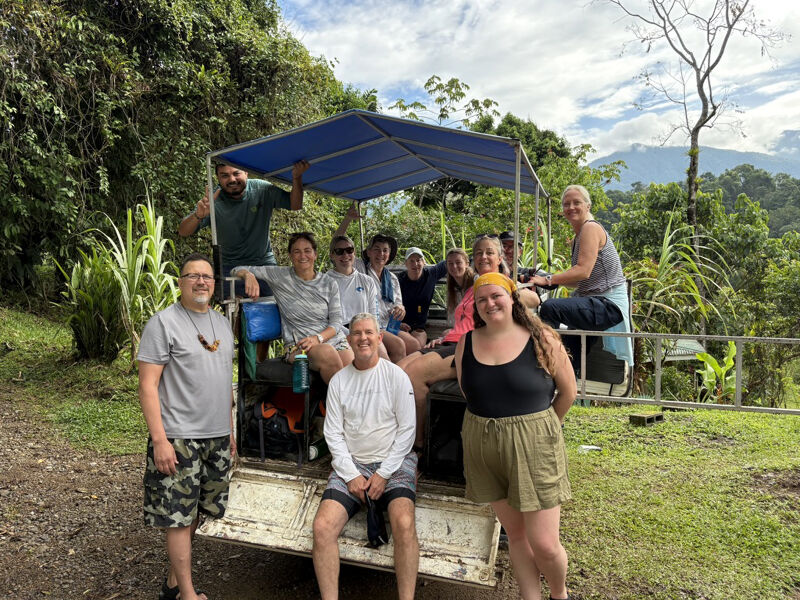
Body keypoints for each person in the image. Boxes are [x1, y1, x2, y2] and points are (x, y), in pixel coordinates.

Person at [454, 272, 575, 600]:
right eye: (481, 300)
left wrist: (540, 430)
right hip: (484, 446)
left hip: (534, 446)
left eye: (496, 296)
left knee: (546, 544)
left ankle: (560, 594)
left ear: (512, 298)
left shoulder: (541, 338)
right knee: (517, 536)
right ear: (475, 307)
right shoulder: (467, 342)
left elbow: (568, 392)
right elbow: (469, 390)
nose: (489, 304)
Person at [137, 253, 235, 600]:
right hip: (178, 437)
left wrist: (230, 430)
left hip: (217, 436)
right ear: (180, 282)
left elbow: (224, 382)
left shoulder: (222, 324)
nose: (200, 281)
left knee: (195, 512)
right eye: (192, 275)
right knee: (177, 517)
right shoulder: (163, 323)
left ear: (213, 283)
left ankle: (173, 583)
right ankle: (187, 595)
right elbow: (148, 385)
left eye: (206, 276)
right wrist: (159, 439)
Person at [312, 313, 419, 600]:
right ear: (348, 340)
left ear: (379, 337)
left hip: (393, 461)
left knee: (404, 524)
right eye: (356, 334)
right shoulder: (339, 382)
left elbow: (408, 431)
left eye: (369, 332)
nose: (363, 338)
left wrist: (383, 474)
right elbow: (333, 434)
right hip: (353, 461)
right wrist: (351, 475)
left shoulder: (396, 376)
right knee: (322, 527)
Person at [399, 235, 538, 451]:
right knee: (396, 372)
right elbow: (462, 323)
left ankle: (418, 445)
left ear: (499, 257)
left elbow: (533, 300)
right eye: (479, 253)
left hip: (471, 347)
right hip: (450, 342)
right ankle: (397, 435)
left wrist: (506, 289)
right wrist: (443, 337)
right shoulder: (474, 287)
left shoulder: (500, 283)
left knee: (414, 375)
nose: (483, 256)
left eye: (489, 252)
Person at [529, 185, 633, 369]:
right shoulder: (578, 237)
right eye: (566, 204)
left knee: (549, 308)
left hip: (608, 305)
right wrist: (548, 281)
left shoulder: (590, 228)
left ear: (588, 206)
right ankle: (569, 381)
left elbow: (582, 271)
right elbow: (578, 281)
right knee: (572, 344)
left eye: (576, 202)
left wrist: (548, 280)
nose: (571, 207)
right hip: (594, 301)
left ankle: (544, 361)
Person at [233, 232, 353, 383]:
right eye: (297, 251)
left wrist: (318, 338)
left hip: (332, 340)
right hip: (299, 346)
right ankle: (340, 406)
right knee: (328, 354)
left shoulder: (329, 283)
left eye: (307, 251)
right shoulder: (280, 276)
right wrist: (248, 275)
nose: (303, 256)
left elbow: (336, 323)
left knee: (354, 369)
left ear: (315, 254)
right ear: (290, 255)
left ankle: (337, 405)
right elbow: (236, 269)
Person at [178, 161, 310, 298]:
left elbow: (295, 204)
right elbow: (183, 231)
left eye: (236, 173)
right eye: (225, 176)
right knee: (235, 308)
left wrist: (297, 178)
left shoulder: (262, 190)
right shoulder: (213, 200)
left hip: (263, 262)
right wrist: (198, 215)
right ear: (218, 178)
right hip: (229, 265)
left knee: (275, 303)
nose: (232, 179)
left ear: (246, 173)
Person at [335, 204, 420, 362]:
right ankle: (393, 380)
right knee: (399, 345)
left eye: (385, 250)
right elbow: (338, 245)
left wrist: (400, 310)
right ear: (368, 252)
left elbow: (399, 306)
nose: (381, 254)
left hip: (389, 325)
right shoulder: (360, 269)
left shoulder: (392, 278)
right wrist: (347, 220)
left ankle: (406, 379)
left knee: (414, 345)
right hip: (372, 325)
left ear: (389, 254)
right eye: (377, 249)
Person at [397, 247, 447, 348]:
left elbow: (451, 260)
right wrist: (397, 324)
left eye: (418, 260)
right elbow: (387, 305)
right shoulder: (398, 280)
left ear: (424, 262)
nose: (415, 264)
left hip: (419, 328)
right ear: (405, 264)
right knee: (408, 347)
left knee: (419, 348)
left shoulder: (431, 274)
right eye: (411, 261)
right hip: (400, 326)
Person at [444, 247, 473, 329]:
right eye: (450, 263)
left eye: (458, 262)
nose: (454, 266)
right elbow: (451, 319)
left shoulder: (475, 282)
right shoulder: (451, 287)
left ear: (467, 264)